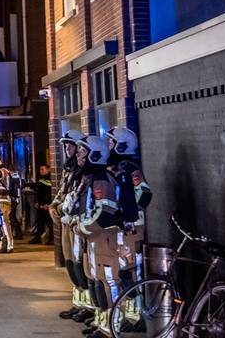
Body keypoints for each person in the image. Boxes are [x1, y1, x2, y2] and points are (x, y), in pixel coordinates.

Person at [76, 134, 122, 337]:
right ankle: (102, 322)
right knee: (96, 280)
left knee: (108, 282)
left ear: (95, 155)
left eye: (82, 151)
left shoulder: (102, 180)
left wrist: (83, 227)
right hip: (94, 239)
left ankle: (111, 327)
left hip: (104, 238)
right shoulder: (92, 178)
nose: (78, 155)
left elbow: (105, 212)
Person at [106, 127, 150, 326]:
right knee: (123, 272)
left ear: (122, 145)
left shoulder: (131, 168)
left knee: (133, 271)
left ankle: (139, 316)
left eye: (111, 143)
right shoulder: (114, 167)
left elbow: (145, 193)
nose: (108, 146)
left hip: (133, 228)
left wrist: (128, 209)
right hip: (121, 227)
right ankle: (128, 314)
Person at [56, 130, 96, 324]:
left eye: (71, 146)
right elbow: (64, 191)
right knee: (70, 261)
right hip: (68, 220)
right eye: (67, 146)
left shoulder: (87, 172)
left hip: (80, 223)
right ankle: (79, 302)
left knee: (81, 263)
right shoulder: (69, 168)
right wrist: (56, 206)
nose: (68, 149)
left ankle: (89, 306)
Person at [27, 164, 53, 244]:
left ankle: (52, 238)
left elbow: (47, 189)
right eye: (40, 169)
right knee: (40, 222)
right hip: (41, 204)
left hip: (47, 204)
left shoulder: (49, 179)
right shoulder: (41, 179)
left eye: (43, 169)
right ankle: (38, 237)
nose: (41, 171)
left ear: (48, 169)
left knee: (50, 222)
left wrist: (47, 203)